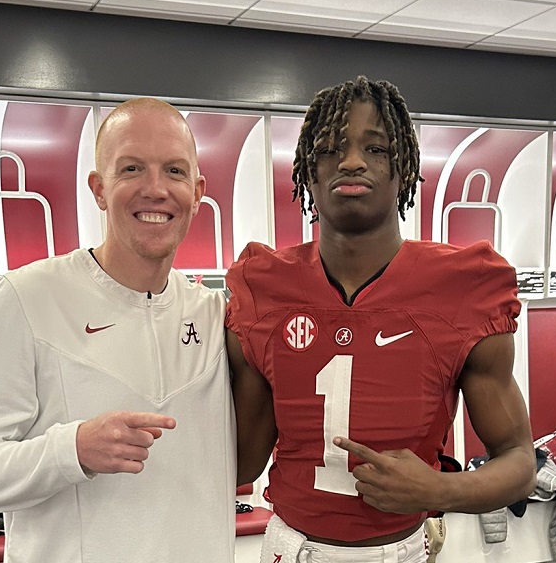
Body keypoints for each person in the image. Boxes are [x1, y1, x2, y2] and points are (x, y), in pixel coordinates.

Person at [226, 76, 536, 562]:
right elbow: (242, 459)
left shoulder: (464, 286)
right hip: (291, 546)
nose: (351, 162)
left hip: (399, 550)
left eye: (376, 149)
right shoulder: (263, 285)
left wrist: (438, 490)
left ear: (405, 170)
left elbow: (520, 461)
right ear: (308, 172)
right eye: (330, 149)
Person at [0, 98, 236, 562]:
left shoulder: (215, 315)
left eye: (175, 171)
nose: (156, 189)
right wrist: (72, 450)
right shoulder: (28, 297)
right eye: (133, 169)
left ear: (198, 191)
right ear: (99, 189)